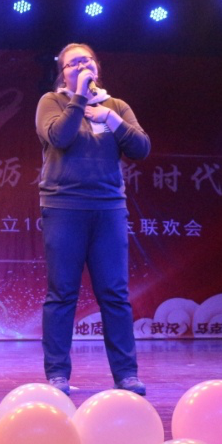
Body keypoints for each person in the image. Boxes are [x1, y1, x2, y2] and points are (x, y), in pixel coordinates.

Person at [35, 43, 151, 395]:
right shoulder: (52, 102)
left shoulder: (117, 106)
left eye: (87, 60)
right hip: (64, 207)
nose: (82, 65)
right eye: (73, 63)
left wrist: (111, 119)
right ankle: (58, 374)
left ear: (97, 67)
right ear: (63, 74)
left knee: (114, 294)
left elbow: (141, 148)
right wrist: (80, 99)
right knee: (62, 293)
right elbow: (60, 137)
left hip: (108, 209)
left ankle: (126, 375)